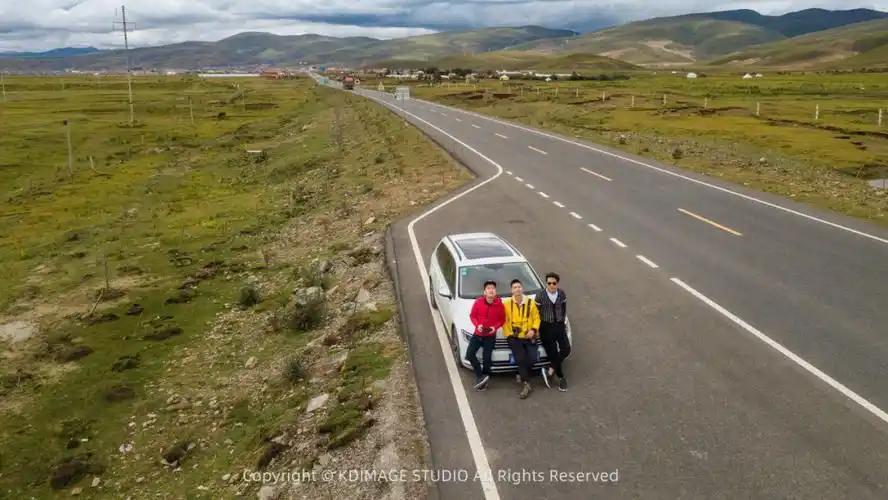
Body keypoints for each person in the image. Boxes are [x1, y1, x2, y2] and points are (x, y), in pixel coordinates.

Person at [502, 278, 540, 399]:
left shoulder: (530, 302)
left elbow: (537, 318)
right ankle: (526, 383)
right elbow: (504, 321)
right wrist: (510, 334)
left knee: (533, 358)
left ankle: (521, 372)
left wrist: (533, 330)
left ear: (522, 288)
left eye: (519, 287)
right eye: (515, 287)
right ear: (511, 290)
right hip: (514, 337)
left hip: (529, 336)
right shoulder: (506, 304)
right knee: (520, 357)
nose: (517, 289)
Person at [467, 279, 505, 391]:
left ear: (495, 291)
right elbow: (472, 316)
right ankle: (480, 376)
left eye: (493, 288)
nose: (491, 290)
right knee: (470, 354)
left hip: (490, 335)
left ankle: (484, 380)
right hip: (478, 334)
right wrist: (477, 325)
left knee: (487, 358)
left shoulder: (500, 305)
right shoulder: (478, 302)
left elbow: (502, 320)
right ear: (484, 292)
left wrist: (495, 327)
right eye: (488, 288)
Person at [535, 272, 570, 391]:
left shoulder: (561, 294)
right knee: (553, 353)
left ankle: (550, 370)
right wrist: (537, 328)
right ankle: (561, 378)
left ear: (557, 283)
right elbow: (536, 313)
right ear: (546, 283)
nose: (551, 285)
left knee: (566, 349)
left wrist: (562, 322)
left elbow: (564, 309)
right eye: (549, 283)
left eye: (554, 283)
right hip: (546, 327)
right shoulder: (540, 296)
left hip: (559, 326)